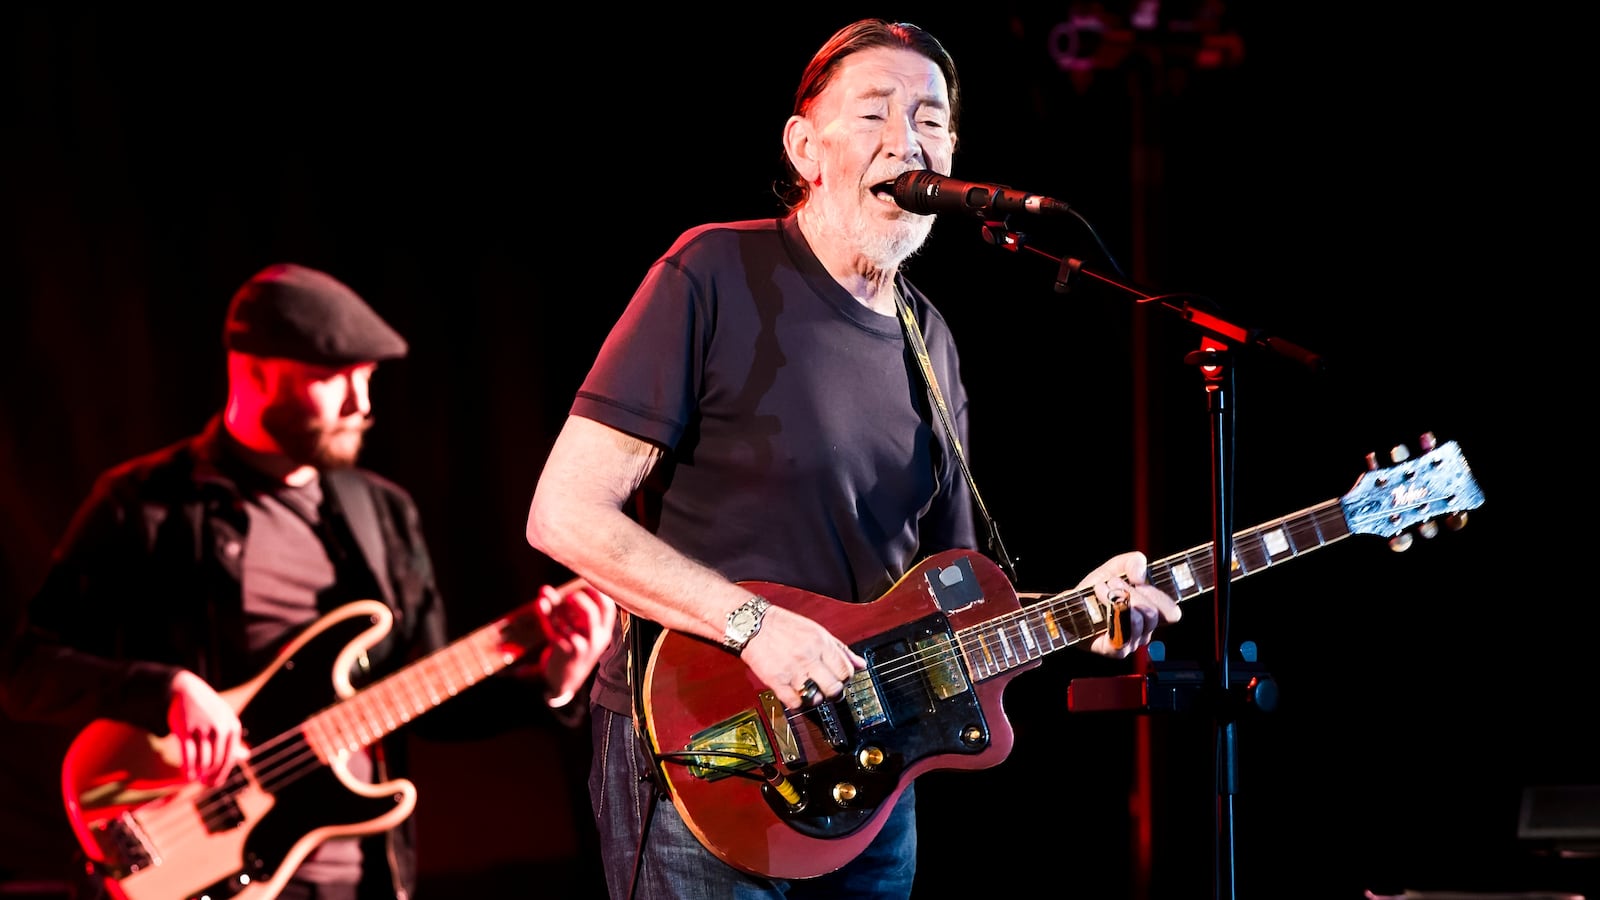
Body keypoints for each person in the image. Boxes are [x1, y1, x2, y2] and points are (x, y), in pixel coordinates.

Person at [524, 17, 1183, 900]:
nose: (906, 138)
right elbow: (564, 513)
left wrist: (1077, 614)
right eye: (873, 112)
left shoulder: (932, 340)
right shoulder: (715, 271)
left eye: (931, 119)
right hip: (707, 748)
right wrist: (753, 626)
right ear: (805, 147)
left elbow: (946, 605)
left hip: (869, 770)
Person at [0, 262, 616, 900]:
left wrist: (552, 684)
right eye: (335, 379)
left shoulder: (383, 512)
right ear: (254, 369)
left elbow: (425, 693)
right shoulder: (144, 506)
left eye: (369, 378)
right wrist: (168, 691)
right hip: (201, 868)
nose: (363, 404)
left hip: (362, 876)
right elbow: (26, 673)